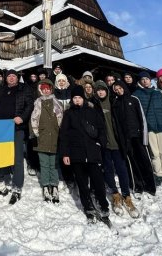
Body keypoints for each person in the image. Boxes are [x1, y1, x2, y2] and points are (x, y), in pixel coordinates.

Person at [60, 88, 111, 226]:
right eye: (75, 98)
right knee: (82, 184)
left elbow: (102, 129)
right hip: (76, 154)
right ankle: (88, 208)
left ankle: (103, 205)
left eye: (79, 98)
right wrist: (65, 153)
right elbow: (64, 135)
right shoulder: (68, 114)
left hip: (93, 153)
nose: (77, 100)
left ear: (84, 99)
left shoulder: (92, 112)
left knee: (98, 182)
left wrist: (101, 143)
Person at [92, 81, 139, 218]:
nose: (100, 92)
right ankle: (115, 195)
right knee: (108, 170)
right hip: (104, 144)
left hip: (118, 143)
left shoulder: (115, 102)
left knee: (122, 169)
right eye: (98, 90)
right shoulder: (95, 105)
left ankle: (127, 196)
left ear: (107, 91)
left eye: (102, 90)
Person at [0, 69, 34, 204]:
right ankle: (7, 182)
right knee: (4, 156)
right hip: (1, 128)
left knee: (17, 158)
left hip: (16, 127)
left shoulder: (24, 88)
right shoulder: (2, 90)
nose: (11, 78)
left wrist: (22, 117)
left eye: (13, 76)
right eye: (9, 76)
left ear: (17, 78)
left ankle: (16, 187)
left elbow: (30, 105)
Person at [111, 80, 156, 196]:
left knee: (144, 161)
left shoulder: (134, 99)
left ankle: (150, 185)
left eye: (120, 88)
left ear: (124, 87)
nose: (118, 91)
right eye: (116, 90)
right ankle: (138, 185)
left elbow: (142, 118)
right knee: (132, 163)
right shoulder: (115, 104)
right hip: (126, 138)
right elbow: (116, 124)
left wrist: (144, 136)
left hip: (138, 136)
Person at [133, 71, 162, 187]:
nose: (145, 81)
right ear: (140, 81)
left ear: (150, 80)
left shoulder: (157, 93)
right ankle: (158, 174)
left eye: (147, 79)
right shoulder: (136, 94)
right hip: (149, 128)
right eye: (142, 79)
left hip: (161, 127)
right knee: (154, 153)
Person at [30, 79, 63, 203]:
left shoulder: (57, 103)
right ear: (40, 90)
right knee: (44, 164)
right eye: (43, 89)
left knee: (53, 164)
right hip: (42, 138)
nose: (46, 91)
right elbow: (33, 120)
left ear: (51, 89)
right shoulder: (37, 104)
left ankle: (54, 186)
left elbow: (61, 120)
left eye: (48, 89)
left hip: (55, 137)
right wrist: (34, 134)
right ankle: (45, 186)